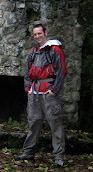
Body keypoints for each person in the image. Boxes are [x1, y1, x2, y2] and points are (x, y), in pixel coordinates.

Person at [15, 23, 67, 168]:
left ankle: (58, 157)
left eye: (39, 33)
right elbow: (27, 73)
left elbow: (61, 71)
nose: (37, 36)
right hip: (34, 93)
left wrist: (54, 90)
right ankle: (28, 152)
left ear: (45, 32)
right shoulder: (32, 52)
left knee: (55, 125)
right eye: (35, 34)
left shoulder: (54, 50)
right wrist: (28, 89)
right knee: (33, 123)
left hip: (48, 93)